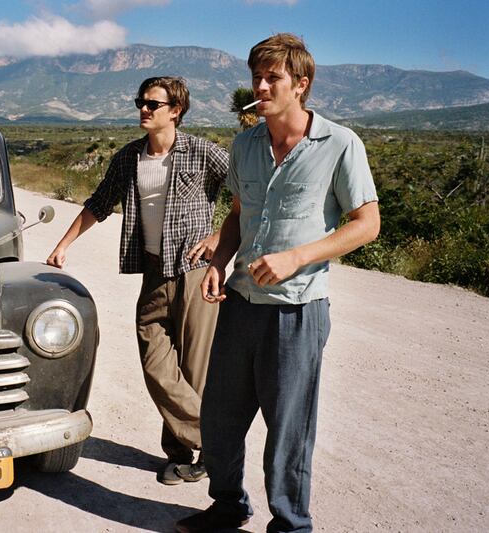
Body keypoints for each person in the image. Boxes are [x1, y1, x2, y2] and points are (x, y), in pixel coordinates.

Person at [176, 34, 380, 533]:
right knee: (220, 419)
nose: (261, 87)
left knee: (288, 431)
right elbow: (238, 214)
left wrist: (298, 256)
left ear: (301, 84)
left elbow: (367, 224)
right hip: (241, 301)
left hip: (298, 309)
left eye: (273, 78)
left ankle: (291, 525)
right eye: (256, 77)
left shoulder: (340, 144)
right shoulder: (245, 144)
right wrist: (219, 260)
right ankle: (228, 505)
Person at [46, 76, 230, 485]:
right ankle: (215, 440)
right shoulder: (129, 157)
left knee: (194, 369)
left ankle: (183, 456)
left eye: (153, 104)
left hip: (195, 271)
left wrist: (219, 237)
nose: (143, 109)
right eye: (140, 102)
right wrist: (64, 244)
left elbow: (248, 193)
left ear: (176, 110)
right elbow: (99, 202)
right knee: (156, 364)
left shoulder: (202, 152)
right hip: (153, 271)